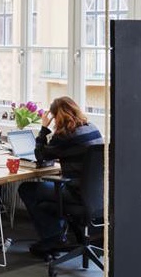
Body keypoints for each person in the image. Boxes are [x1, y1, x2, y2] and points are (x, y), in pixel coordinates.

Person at [17, 96, 104, 257]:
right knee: (44, 198)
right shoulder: (92, 127)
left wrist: (44, 128)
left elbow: (40, 155)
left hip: (76, 193)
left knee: (27, 189)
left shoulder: (64, 136)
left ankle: (53, 237)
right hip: (98, 194)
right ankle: (58, 235)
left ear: (57, 116)